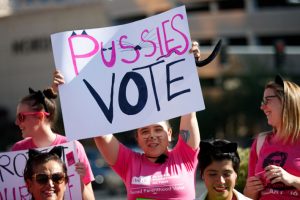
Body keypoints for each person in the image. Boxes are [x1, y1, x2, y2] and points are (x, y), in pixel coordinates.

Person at [52, 42, 202, 199]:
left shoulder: (184, 156)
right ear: (137, 139)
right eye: (144, 131)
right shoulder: (129, 162)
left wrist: (189, 66)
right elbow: (100, 133)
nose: (151, 135)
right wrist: (69, 87)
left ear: (170, 134)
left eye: (158, 129)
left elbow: (189, 110)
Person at [12, 87, 95, 200]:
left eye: (21, 117)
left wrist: (79, 182)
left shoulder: (74, 147)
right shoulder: (18, 149)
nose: (16, 122)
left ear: (40, 116)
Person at [243, 75, 300, 200]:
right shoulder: (260, 142)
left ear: (287, 101)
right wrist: (250, 190)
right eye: (262, 102)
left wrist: (292, 180)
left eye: (267, 100)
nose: (262, 107)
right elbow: (249, 197)